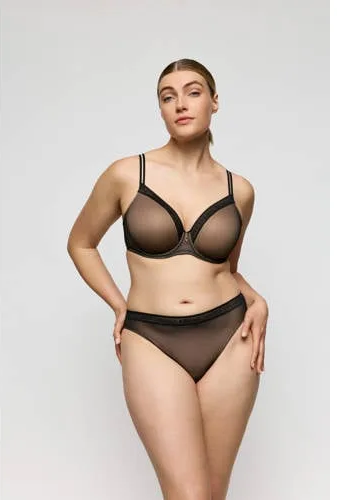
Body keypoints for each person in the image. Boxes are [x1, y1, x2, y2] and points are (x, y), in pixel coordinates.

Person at [67, 58, 269, 500]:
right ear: (160, 109)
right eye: (167, 96)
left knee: (213, 494)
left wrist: (258, 300)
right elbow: (80, 243)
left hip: (230, 338)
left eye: (193, 92)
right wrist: (119, 304)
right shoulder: (127, 174)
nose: (180, 104)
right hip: (151, 338)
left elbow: (225, 269)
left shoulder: (240, 191)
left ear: (214, 102)